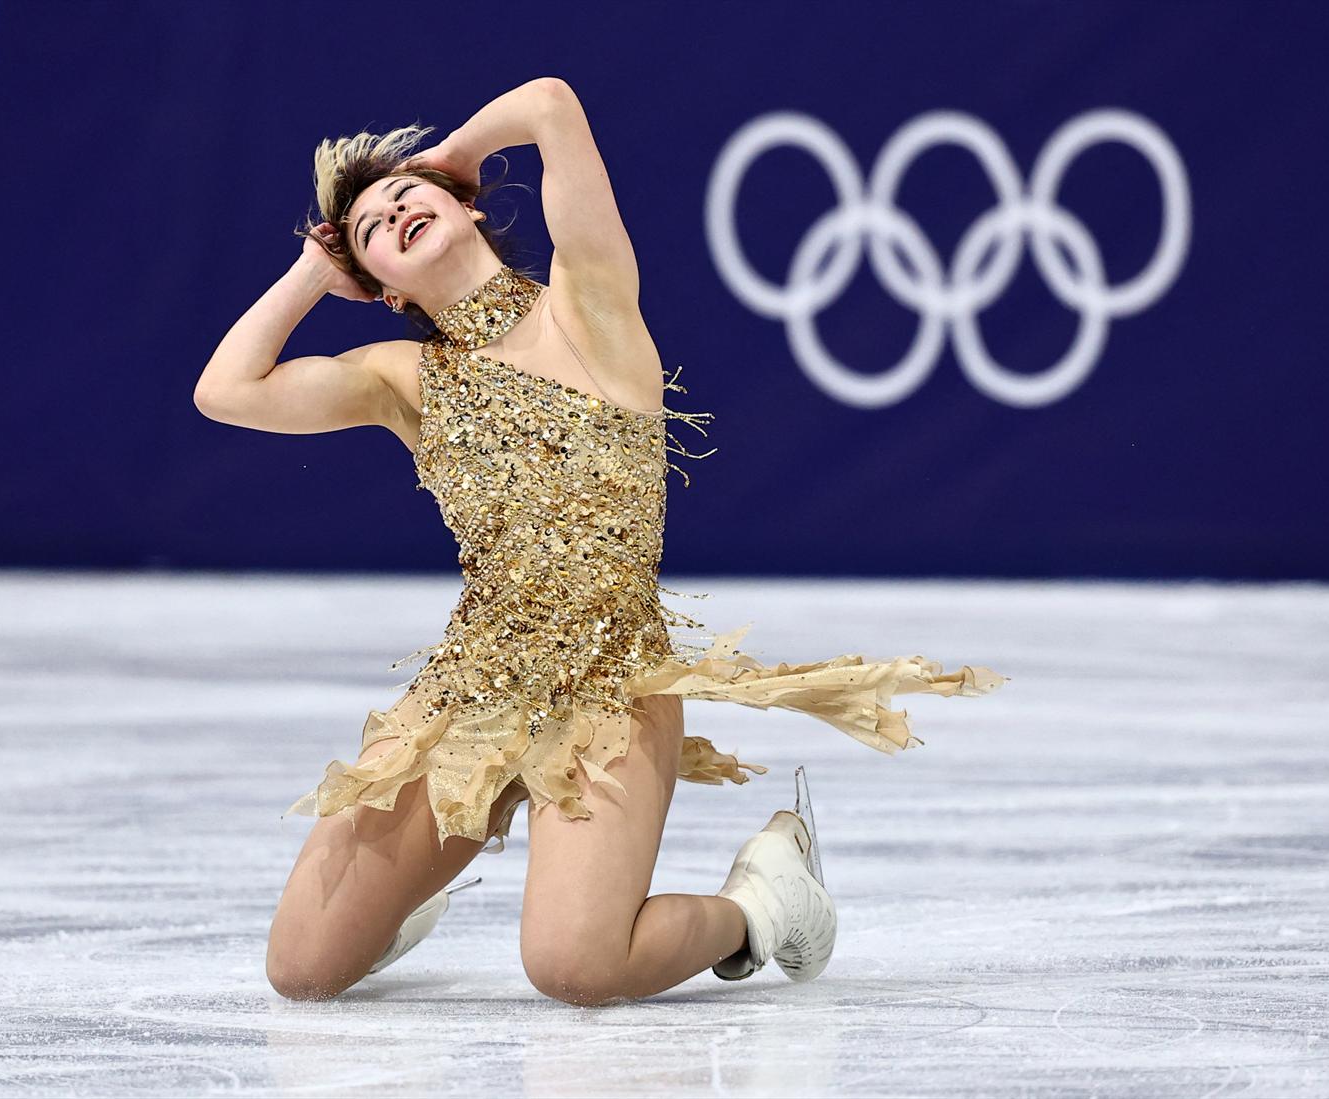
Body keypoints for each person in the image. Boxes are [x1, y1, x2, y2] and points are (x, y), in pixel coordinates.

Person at [193, 77, 1004, 1006]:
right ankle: (399, 902)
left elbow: (549, 105)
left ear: (464, 205)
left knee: (575, 967)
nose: (396, 213)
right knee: (301, 969)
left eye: (409, 195)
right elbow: (226, 392)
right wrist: (314, 267)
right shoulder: (401, 377)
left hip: (611, 683)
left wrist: (449, 157)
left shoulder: (588, 307)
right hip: (471, 689)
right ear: (379, 288)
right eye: (373, 228)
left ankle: (765, 900)